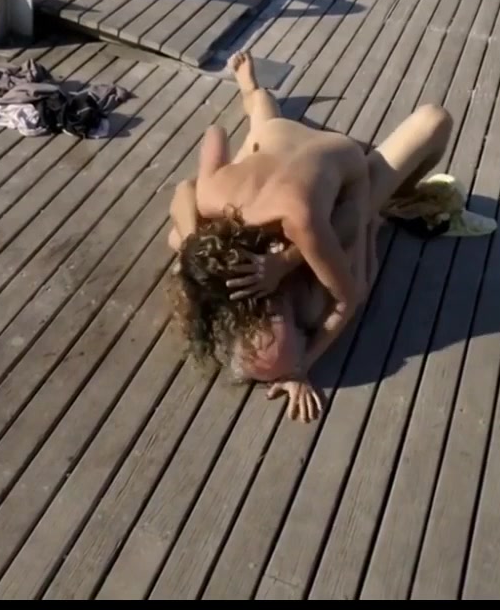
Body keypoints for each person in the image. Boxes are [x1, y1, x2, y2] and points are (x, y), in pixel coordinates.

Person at [167, 50, 453, 422]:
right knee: (432, 120)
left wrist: (191, 242)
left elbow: (352, 288)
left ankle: (253, 91)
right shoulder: (302, 291)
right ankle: (253, 90)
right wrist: (301, 365)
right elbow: (356, 282)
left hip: (333, 176)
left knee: (345, 206)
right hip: (286, 154)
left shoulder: (277, 231)